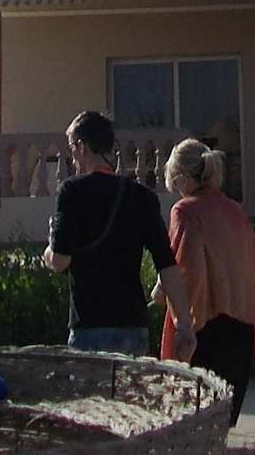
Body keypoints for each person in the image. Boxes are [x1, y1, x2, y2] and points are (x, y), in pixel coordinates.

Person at [155, 138, 255, 426]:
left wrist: (166, 297)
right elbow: (252, 268)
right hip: (241, 328)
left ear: (181, 178)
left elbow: (187, 271)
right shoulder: (235, 211)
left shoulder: (184, 211)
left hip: (204, 329)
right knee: (224, 422)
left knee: (195, 421)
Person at [43, 110, 196, 357]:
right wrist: (184, 325)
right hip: (133, 325)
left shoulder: (72, 192)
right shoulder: (142, 197)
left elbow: (61, 261)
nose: (71, 158)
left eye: (71, 148)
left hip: (89, 325)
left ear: (82, 146)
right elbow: (167, 265)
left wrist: (49, 251)